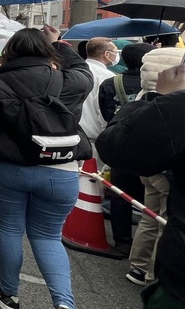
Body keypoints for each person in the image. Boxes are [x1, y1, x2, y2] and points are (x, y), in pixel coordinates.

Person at [0, 26, 92, 309]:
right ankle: (64, 303)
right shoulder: (70, 81)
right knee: (48, 236)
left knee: (9, 228)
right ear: (48, 51)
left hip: (9, 167)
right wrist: (59, 44)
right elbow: (84, 70)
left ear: (10, 52)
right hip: (61, 169)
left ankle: (8, 292)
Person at [97, 62, 185, 308]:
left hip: (178, 282)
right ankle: (143, 270)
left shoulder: (177, 106)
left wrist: (158, 97)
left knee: (152, 215)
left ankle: (139, 267)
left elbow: (116, 147)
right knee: (156, 216)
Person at [97, 43, 155, 254]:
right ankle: (146, 244)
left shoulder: (110, 82)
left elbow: (106, 113)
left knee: (119, 193)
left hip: (120, 144)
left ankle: (122, 240)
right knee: (151, 199)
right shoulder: (154, 86)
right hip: (149, 149)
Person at [80, 37, 118, 151]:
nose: (117, 55)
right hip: (95, 136)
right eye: (115, 51)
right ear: (107, 54)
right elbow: (104, 108)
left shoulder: (76, 70)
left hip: (76, 132)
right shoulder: (107, 77)